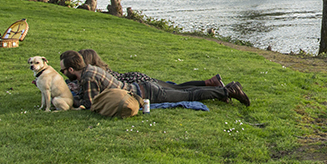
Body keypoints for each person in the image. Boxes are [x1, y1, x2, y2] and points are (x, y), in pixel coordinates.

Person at [60, 49, 250, 110]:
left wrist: (70, 99)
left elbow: (90, 104)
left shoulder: (87, 78)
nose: (62, 73)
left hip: (146, 92)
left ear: (71, 69)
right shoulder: (91, 69)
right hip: (142, 86)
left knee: (190, 94)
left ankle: (228, 90)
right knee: (185, 91)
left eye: (63, 71)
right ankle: (224, 90)